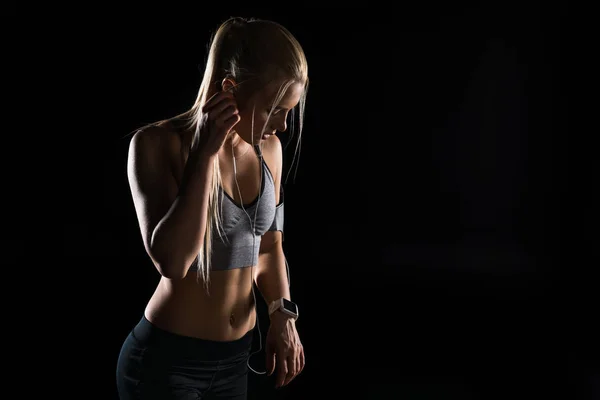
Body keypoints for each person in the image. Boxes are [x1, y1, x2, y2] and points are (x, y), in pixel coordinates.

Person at [116, 16, 308, 399]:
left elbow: (269, 247)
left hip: (235, 362)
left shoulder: (269, 149)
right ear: (229, 90)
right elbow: (174, 262)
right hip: (166, 364)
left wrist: (281, 312)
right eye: (274, 110)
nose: (283, 126)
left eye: (289, 110)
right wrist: (204, 153)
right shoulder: (156, 145)